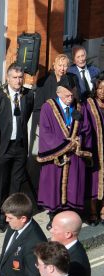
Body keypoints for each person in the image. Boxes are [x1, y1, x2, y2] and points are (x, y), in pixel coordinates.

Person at [37, 74, 92, 230]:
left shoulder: (79, 107)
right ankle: (54, 217)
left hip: (74, 156)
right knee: (54, 188)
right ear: (59, 93)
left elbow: (86, 129)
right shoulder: (48, 107)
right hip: (57, 158)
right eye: (67, 95)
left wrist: (78, 141)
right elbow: (46, 133)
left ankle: (70, 217)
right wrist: (64, 145)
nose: (70, 98)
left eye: (72, 94)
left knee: (73, 187)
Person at [0, 63, 34, 230]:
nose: (18, 80)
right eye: (14, 77)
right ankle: (1, 217)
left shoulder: (28, 95)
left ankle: (13, 215)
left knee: (16, 184)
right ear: (7, 78)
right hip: (3, 147)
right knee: (1, 183)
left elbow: (27, 115)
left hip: (20, 146)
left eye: (21, 77)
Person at [0, 193, 47, 276]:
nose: (6, 220)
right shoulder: (15, 225)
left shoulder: (35, 242)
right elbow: (5, 254)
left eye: (10, 218)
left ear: (23, 218)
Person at [50, 211, 90, 276]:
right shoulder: (69, 249)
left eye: (55, 229)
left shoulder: (73, 264)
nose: (51, 230)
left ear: (68, 234)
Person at [85, 72, 104, 225]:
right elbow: (85, 128)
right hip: (95, 150)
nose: (102, 91)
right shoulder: (89, 104)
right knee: (94, 182)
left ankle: (103, 211)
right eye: (99, 88)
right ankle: (92, 213)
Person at [33, 54, 71, 122]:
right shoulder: (43, 82)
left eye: (65, 66)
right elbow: (38, 108)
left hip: (65, 121)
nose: (62, 69)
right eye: (59, 65)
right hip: (47, 121)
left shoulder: (70, 81)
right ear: (54, 65)